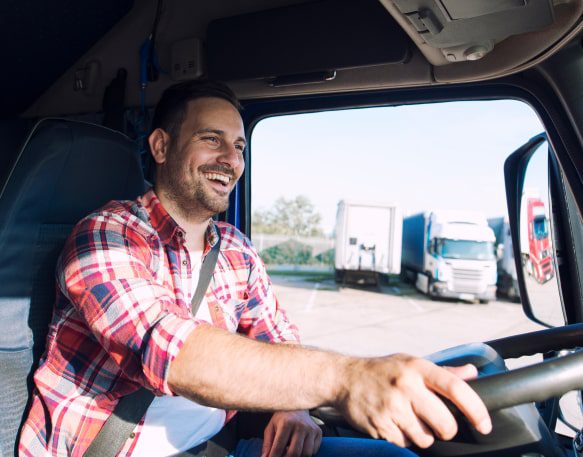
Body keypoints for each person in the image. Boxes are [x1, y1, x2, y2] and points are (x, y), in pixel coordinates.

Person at [19, 80, 491, 457]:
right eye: (212, 140)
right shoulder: (106, 234)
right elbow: (171, 351)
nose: (232, 160)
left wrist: (296, 407)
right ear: (161, 146)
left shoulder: (235, 250)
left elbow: (277, 336)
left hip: (218, 448)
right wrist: (347, 378)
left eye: (240, 146)